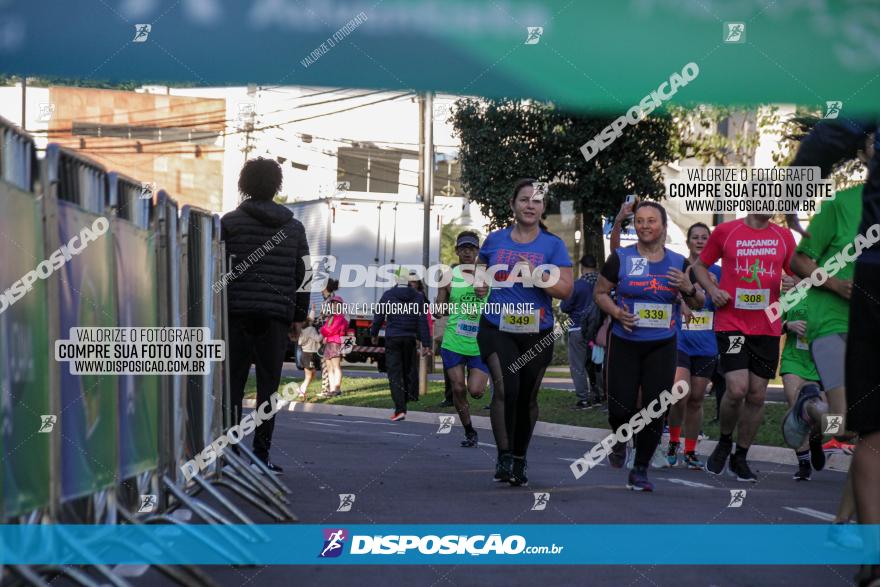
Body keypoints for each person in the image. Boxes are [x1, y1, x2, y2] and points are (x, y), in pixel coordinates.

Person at [594, 201, 704, 491]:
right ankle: (620, 439)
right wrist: (617, 313)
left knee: (656, 407)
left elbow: (699, 302)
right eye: (640, 220)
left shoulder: (679, 263)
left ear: (664, 228)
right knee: (620, 408)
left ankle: (640, 469)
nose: (644, 225)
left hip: (662, 345)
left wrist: (688, 287)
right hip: (625, 342)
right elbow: (601, 292)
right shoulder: (620, 258)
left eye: (651, 221)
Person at [475, 178, 574, 486]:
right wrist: (480, 281)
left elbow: (566, 290)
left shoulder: (552, 245)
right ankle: (504, 457)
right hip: (497, 326)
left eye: (537, 201)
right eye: (524, 199)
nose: (530, 205)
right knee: (506, 389)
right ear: (513, 205)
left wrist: (536, 277)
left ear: (542, 208)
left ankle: (520, 457)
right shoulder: (495, 240)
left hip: (536, 330)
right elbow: (480, 265)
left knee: (527, 396)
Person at [221, 157, 310, 474]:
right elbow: (305, 274)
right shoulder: (294, 227)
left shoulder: (229, 223)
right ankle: (261, 456)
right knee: (268, 389)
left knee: (232, 386)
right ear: (277, 186)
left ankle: (229, 455)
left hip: (236, 314)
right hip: (275, 318)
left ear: (244, 184)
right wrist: (298, 315)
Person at [693, 213, 797, 482]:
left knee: (757, 396)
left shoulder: (783, 237)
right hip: (732, 323)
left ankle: (741, 456)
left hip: (767, 326)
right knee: (737, 388)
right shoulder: (726, 231)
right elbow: (700, 266)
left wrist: (793, 282)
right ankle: (725, 441)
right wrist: (712, 291)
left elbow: (799, 275)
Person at [667, 222, 721, 469]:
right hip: (681, 340)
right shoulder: (679, 267)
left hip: (707, 344)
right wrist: (682, 299)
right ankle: (672, 442)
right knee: (680, 393)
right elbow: (666, 294)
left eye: (704, 238)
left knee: (697, 398)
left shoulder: (719, 271)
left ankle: (690, 451)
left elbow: (725, 303)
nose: (699, 241)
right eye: (695, 237)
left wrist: (714, 287)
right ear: (688, 242)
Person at [436, 231, 490, 447]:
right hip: (453, 341)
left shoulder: (486, 275)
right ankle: (469, 430)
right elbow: (440, 306)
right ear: (457, 251)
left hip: (479, 343)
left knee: (475, 391)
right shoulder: (448, 276)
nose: (468, 252)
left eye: (472, 248)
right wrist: (439, 308)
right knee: (458, 388)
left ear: (477, 251)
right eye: (464, 248)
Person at [778, 275, 823, 481]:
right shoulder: (789, 293)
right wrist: (788, 324)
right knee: (796, 409)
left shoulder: (829, 295)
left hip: (821, 363)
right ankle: (803, 462)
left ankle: (817, 439)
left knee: (827, 416)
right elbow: (771, 324)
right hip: (794, 361)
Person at [370, 271, 432, 421]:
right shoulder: (418, 296)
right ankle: (406, 400)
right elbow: (422, 320)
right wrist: (426, 343)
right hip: (409, 338)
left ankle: (400, 408)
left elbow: (379, 315)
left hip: (393, 338)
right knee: (407, 370)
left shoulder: (388, 295)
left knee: (394, 373)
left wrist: (374, 333)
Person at [560, 254, 599, 409]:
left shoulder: (578, 285)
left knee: (578, 365)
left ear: (582, 268)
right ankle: (599, 396)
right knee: (597, 363)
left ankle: (583, 399)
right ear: (595, 266)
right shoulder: (603, 284)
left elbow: (564, 307)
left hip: (578, 328)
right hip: (599, 330)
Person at [319, 295, 347, 398]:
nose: (334, 306)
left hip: (335, 343)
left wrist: (324, 331)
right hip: (329, 343)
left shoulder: (339, 318)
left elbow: (328, 330)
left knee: (336, 366)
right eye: (332, 304)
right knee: (329, 367)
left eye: (336, 304)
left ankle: (337, 388)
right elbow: (325, 329)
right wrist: (325, 331)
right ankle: (331, 389)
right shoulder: (332, 317)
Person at [297, 318, 322, 399]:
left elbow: (300, 342)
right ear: (309, 322)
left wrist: (313, 310)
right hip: (310, 354)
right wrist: (324, 332)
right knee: (309, 376)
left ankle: (301, 389)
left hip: (304, 354)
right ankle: (302, 391)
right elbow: (318, 339)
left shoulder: (301, 330)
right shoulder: (311, 329)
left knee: (312, 374)